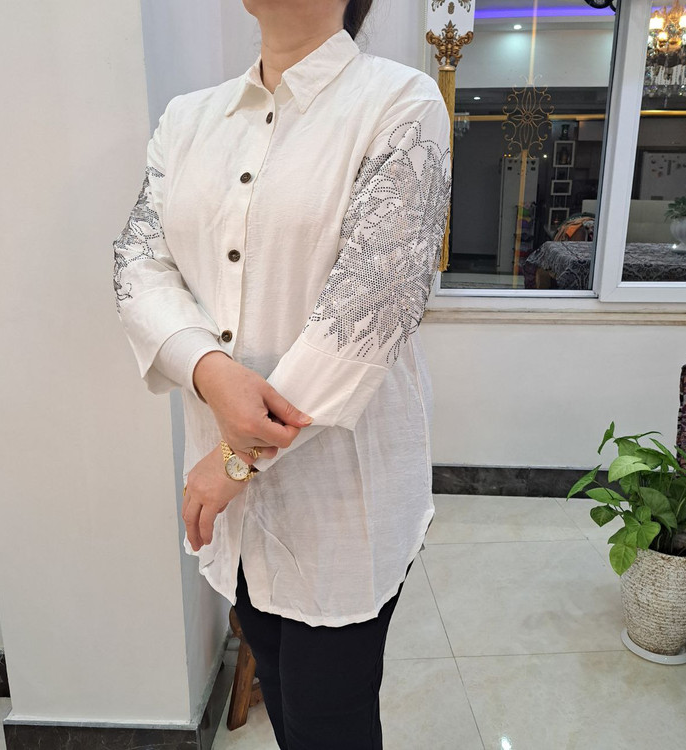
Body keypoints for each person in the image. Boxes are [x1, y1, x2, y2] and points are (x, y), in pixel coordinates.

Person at [112, 0, 452, 747]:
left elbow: (373, 304)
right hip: (235, 510)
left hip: (340, 499)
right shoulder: (187, 120)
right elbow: (138, 263)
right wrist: (208, 368)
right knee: (283, 697)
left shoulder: (399, 102)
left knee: (329, 719)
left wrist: (239, 455)